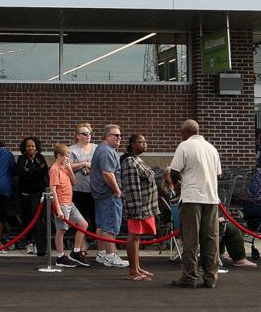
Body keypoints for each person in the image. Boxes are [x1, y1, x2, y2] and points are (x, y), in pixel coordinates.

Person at [168, 119, 222, 289]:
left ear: (184, 133)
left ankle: (189, 276)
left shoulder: (184, 146)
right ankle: (210, 277)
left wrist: (178, 184)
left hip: (192, 197)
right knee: (211, 238)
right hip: (211, 198)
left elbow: (174, 171)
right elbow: (218, 174)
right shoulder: (212, 148)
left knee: (190, 238)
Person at [120, 133, 159, 281]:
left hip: (145, 206)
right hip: (137, 206)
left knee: (137, 237)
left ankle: (137, 267)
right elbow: (131, 187)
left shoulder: (137, 159)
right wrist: (136, 209)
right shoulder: (129, 161)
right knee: (133, 236)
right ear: (132, 144)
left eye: (145, 141)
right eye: (140, 142)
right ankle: (132, 271)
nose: (144, 144)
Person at [89, 124, 128, 268]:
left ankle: (102, 253)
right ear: (107, 136)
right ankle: (111, 256)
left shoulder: (103, 149)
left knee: (101, 225)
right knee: (110, 226)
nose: (119, 138)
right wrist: (117, 190)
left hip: (100, 194)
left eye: (120, 135)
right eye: (115, 135)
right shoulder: (106, 151)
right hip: (108, 194)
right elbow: (107, 173)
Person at [48, 142, 89, 268]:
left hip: (69, 202)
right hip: (62, 203)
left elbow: (74, 182)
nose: (68, 159)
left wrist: (70, 169)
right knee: (61, 230)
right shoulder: (54, 170)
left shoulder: (64, 168)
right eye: (66, 156)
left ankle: (76, 251)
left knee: (83, 224)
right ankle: (60, 256)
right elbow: (53, 190)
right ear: (59, 156)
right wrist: (59, 209)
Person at [16, 136, 48, 257]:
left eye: (33, 146)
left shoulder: (40, 158)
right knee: (27, 219)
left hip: (38, 195)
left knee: (38, 220)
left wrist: (30, 172)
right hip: (25, 194)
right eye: (29, 146)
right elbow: (21, 174)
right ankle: (29, 242)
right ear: (25, 147)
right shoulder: (21, 159)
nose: (31, 148)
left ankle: (40, 247)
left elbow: (44, 170)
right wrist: (35, 172)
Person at [68, 123, 96, 252]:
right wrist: (84, 163)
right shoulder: (72, 149)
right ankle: (81, 248)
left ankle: (101, 250)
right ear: (78, 136)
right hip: (78, 190)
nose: (88, 136)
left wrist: (91, 167)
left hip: (95, 189)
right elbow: (68, 167)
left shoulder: (96, 148)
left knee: (96, 219)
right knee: (81, 220)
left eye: (89, 133)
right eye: (85, 134)